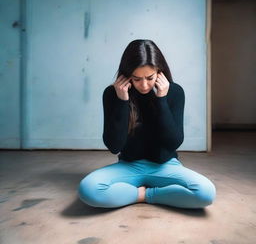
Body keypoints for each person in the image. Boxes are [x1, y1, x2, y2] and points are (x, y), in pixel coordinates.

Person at [78, 39, 216, 209]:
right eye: (136, 79)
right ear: (127, 76)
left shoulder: (174, 92)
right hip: (129, 166)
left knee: (206, 193)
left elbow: (173, 142)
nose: (144, 85)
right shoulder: (113, 94)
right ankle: (142, 194)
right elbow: (114, 146)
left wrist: (161, 99)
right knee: (88, 190)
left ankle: (146, 194)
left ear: (159, 72)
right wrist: (122, 102)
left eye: (149, 78)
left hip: (165, 166)